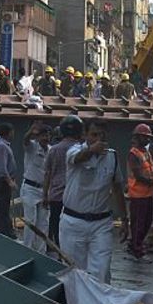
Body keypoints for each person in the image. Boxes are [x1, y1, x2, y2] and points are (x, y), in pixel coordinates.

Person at [61, 119, 126, 283]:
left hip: (101, 223)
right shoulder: (74, 151)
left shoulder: (112, 156)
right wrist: (91, 150)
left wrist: (125, 220)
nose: (99, 139)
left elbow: (118, 188)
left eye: (102, 135)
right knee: (75, 273)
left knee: (101, 272)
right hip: (73, 222)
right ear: (84, 135)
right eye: (94, 134)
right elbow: (77, 158)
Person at [43, 115, 83, 248]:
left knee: (57, 228)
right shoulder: (82, 150)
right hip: (76, 197)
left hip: (56, 195)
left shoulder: (53, 149)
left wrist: (45, 195)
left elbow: (47, 174)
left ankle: (60, 254)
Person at [126, 123, 153, 261]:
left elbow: (149, 171)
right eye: (144, 137)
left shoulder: (145, 152)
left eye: (148, 138)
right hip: (138, 195)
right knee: (138, 224)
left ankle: (135, 245)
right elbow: (139, 175)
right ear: (138, 137)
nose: (147, 140)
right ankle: (137, 250)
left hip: (148, 193)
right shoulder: (134, 153)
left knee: (147, 222)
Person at [20, 122, 51, 252]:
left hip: (44, 190)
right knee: (30, 221)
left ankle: (41, 251)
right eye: (43, 135)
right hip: (30, 188)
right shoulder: (32, 146)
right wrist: (30, 132)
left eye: (48, 135)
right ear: (38, 137)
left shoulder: (51, 150)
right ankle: (27, 249)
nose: (46, 138)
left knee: (43, 223)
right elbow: (25, 140)